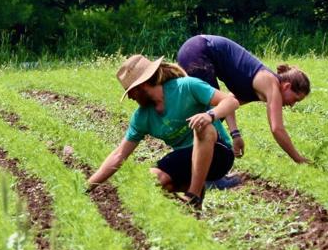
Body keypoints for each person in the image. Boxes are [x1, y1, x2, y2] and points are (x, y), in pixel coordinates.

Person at [87, 55, 240, 209]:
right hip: (186, 159)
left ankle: (193, 195)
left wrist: (209, 115)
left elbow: (231, 101)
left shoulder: (186, 87)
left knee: (203, 127)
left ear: (142, 85)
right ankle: (190, 208)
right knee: (151, 179)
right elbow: (119, 155)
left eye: (131, 92)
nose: (131, 98)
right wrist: (86, 187)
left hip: (219, 154)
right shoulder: (142, 117)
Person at [177, 35, 311, 164]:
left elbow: (228, 103)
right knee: (209, 119)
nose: (292, 105)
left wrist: (235, 135)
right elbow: (277, 129)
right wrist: (298, 159)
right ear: (287, 86)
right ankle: (207, 172)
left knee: (213, 116)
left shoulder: (259, 88)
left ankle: (194, 165)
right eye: (295, 99)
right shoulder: (271, 84)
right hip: (200, 50)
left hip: (194, 49)